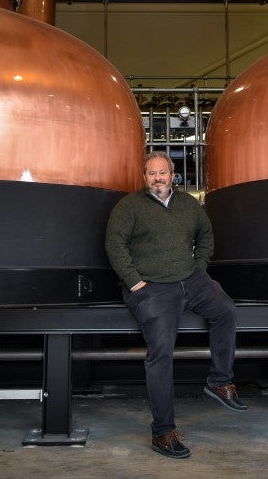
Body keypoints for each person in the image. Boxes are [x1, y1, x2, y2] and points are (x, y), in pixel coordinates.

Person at [104, 150, 246, 459]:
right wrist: (135, 283)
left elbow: (206, 235)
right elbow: (115, 245)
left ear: (172, 176)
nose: (158, 178)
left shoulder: (188, 205)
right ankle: (163, 433)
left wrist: (199, 267)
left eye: (163, 173)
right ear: (144, 178)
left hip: (190, 279)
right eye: (152, 173)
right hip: (151, 287)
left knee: (226, 310)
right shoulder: (128, 207)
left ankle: (220, 381)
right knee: (161, 353)